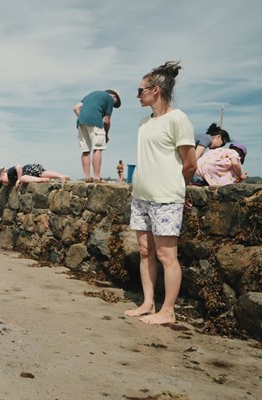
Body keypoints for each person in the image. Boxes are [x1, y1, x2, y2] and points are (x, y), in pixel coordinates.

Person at [124, 61, 196, 325]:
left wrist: (178, 189)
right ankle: (148, 303)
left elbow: (190, 164)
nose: (137, 95)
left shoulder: (178, 119)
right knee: (145, 252)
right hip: (141, 197)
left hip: (166, 198)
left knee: (167, 256)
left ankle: (168, 311)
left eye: (140, 90)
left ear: (155, 90)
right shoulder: (144, 123)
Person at [73, 89, 122, 182]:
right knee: (98, 148)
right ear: (115, 97)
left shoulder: (91, 94)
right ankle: (96, 177)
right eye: (115, 104)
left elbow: (76, 108)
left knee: (85, 150)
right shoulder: (109, 98)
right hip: (96, 122)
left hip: (81, 122)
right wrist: (106, 135)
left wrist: (84, 118)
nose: (113, 105)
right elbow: (107, 121)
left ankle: (87, 177)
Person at [0, 164, 69, 188]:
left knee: (22, 178)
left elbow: (18, 166)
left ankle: (43, 180)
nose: (4, 183)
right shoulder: (10, 179)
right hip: (32, 171)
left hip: (29, 169)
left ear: (3, 174)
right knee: (43, 173)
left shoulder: (9, 173)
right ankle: (61, 176)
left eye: (2, 181)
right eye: (2, 184)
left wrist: (19, 179)